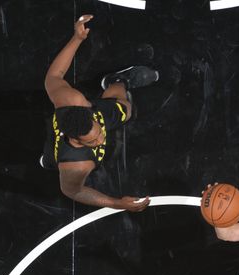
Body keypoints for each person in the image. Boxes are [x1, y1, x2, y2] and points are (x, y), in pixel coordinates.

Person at [43, 14, 158, 212]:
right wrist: (115, 203)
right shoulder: (77, 164)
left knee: (126, 109)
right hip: (65, 158)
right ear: (76, 140)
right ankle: (49, 160)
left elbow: (54, 75)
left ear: (87, 112)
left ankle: (118, 80)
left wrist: (77, 38)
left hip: (71, 132)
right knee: (55, 162)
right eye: (93, 141)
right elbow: (73, 192)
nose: (101, 139)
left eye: (98, 132)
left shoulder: (72, 100)